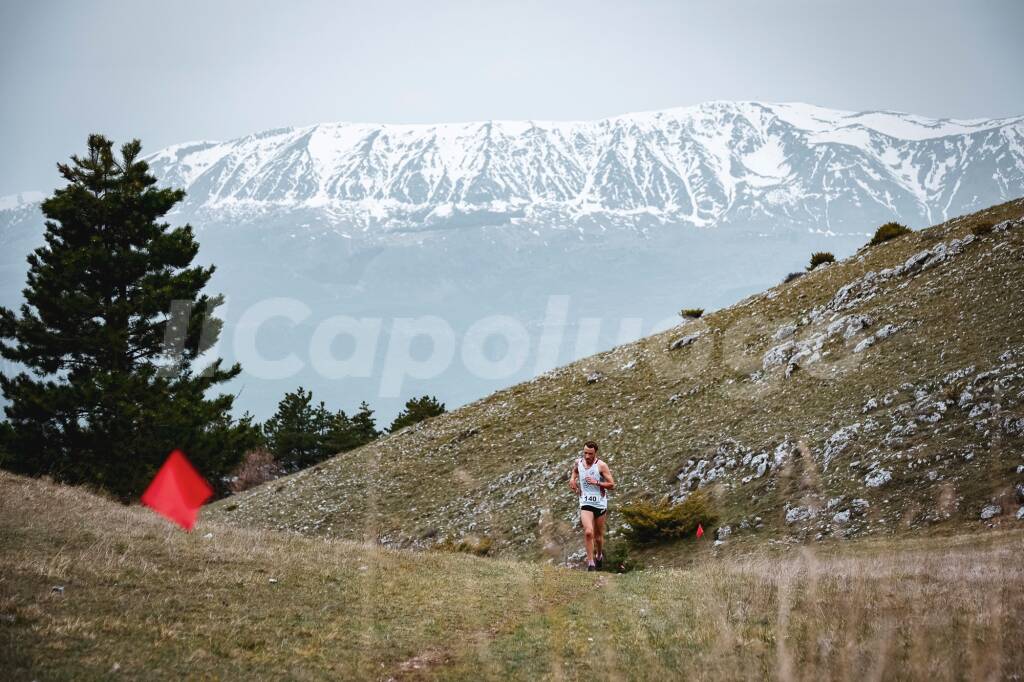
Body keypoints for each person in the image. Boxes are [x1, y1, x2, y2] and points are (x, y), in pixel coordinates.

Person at [568, 441, 615, 571]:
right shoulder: (579, 462)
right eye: (585, 453)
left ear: (595, 453)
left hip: (600, 503)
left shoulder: (601, 466)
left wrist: (597, 482)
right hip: (585, 502)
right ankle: (591, 564)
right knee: (588, 532)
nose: (587, 456)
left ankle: (599, 555)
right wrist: (572, 479)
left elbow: (612, 485)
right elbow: (575, 471)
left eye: (590, 454)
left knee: (598, 537)